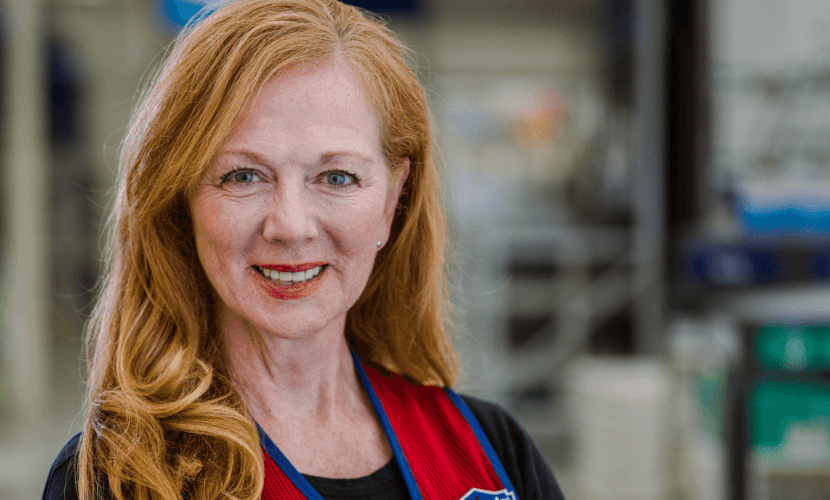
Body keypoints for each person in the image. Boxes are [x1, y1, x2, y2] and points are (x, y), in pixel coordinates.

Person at [43, 1, 565, 499]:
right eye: (242, 175)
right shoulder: (117, 479)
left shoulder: (494, 455)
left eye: (337, 176)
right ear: (183, 203)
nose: (290, 226)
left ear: (391, 201)